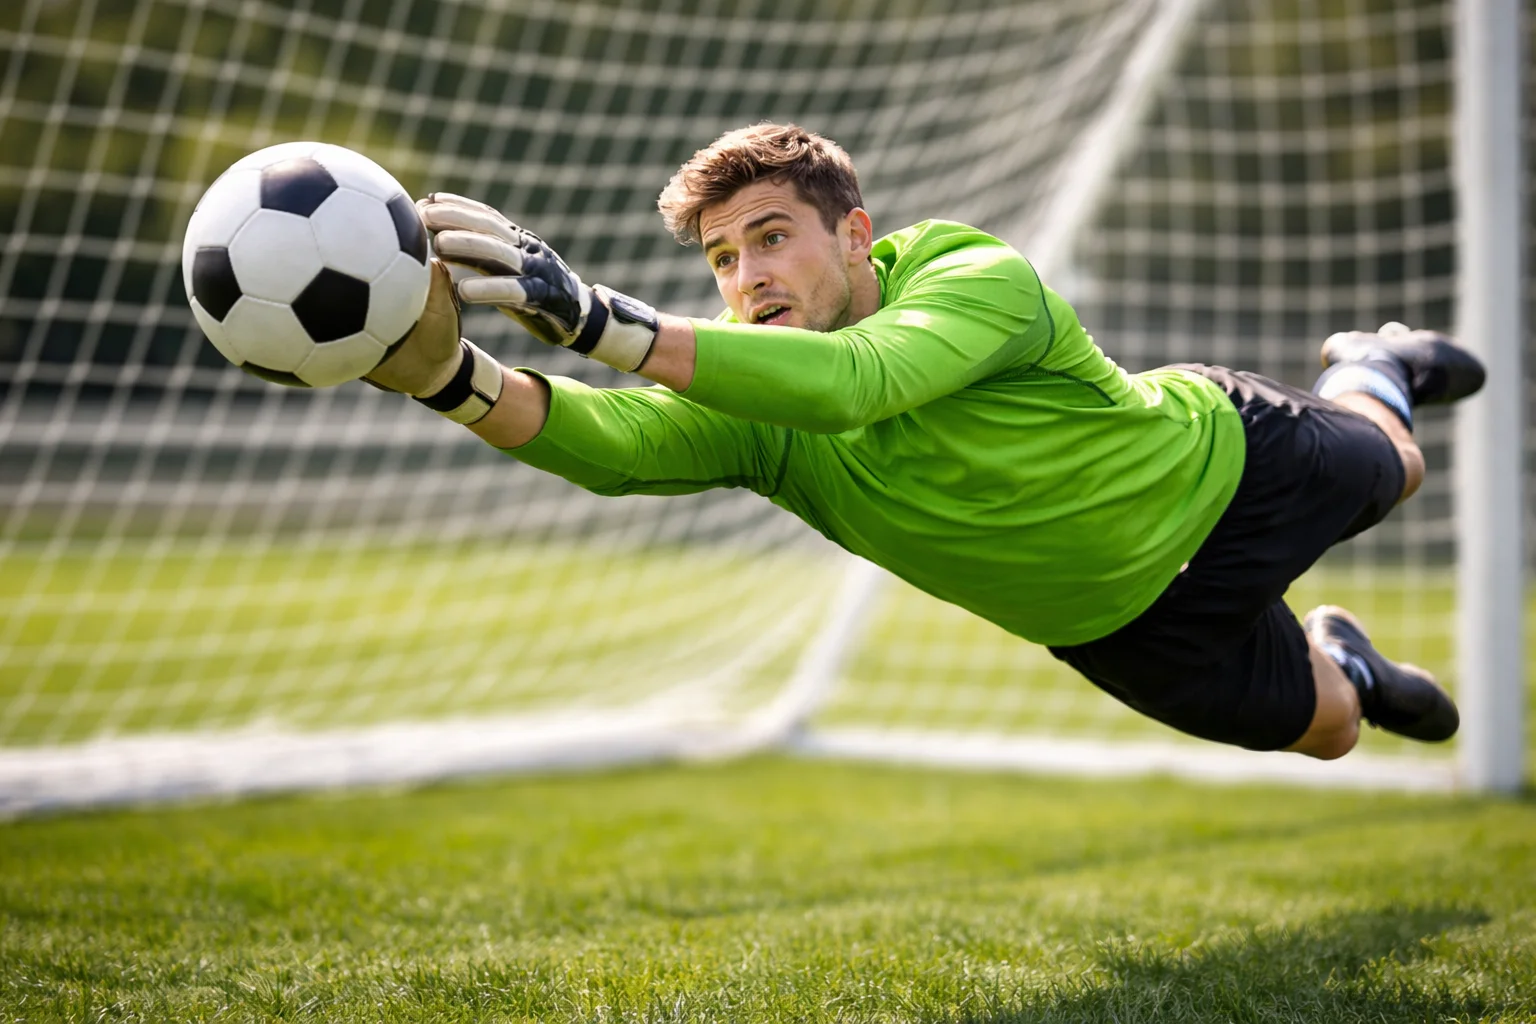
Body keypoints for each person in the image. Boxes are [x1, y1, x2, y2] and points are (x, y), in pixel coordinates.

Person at [366, 123, 1484, 761]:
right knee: (1334, 730)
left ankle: (1375, 363)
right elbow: (616, 441)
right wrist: (454, 381)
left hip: (1231, 467)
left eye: (771, 237)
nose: (747, 277)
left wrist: (599, 319)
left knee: (1403, 463)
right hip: (1121, 625)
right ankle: (1346, 658)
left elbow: (868, 381)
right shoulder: (757, 396)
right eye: (722, 259)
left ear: (855, 236)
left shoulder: (971, 272)